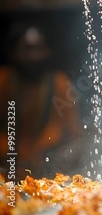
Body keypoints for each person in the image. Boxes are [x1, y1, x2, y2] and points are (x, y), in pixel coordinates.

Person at [0, 19, 83, 181]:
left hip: (46, 175)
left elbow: (75, 137)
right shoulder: (3, 81)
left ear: (47, 51)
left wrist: (59, 158)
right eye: (26, 49)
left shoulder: (60, 84)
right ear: (14, 52)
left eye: (37, 49)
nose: (32, 56)